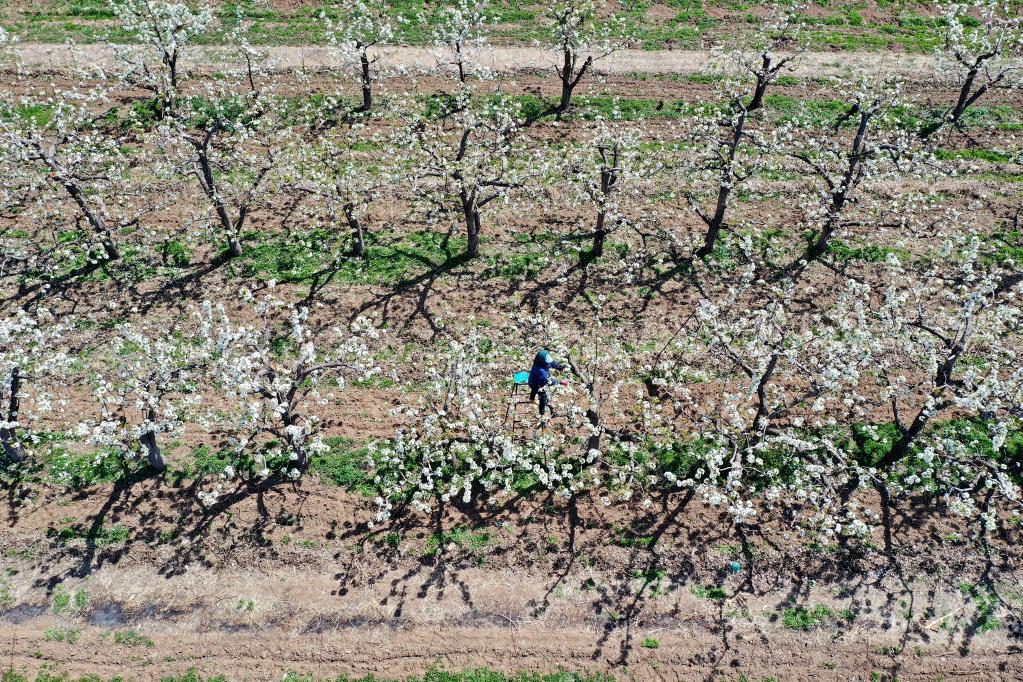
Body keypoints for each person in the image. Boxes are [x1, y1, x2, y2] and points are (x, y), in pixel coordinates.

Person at [527, 349, 564, 417]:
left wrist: (559, 367)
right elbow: (548, 380)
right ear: (542, 361)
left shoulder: (543, 361)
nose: (548, 363)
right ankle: (542, 412)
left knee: (535, 390)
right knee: (543, 396)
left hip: (535, 380)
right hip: (535, 383)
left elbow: (552, 363)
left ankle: (531, 398)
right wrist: (559, 382)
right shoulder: (540, 370)